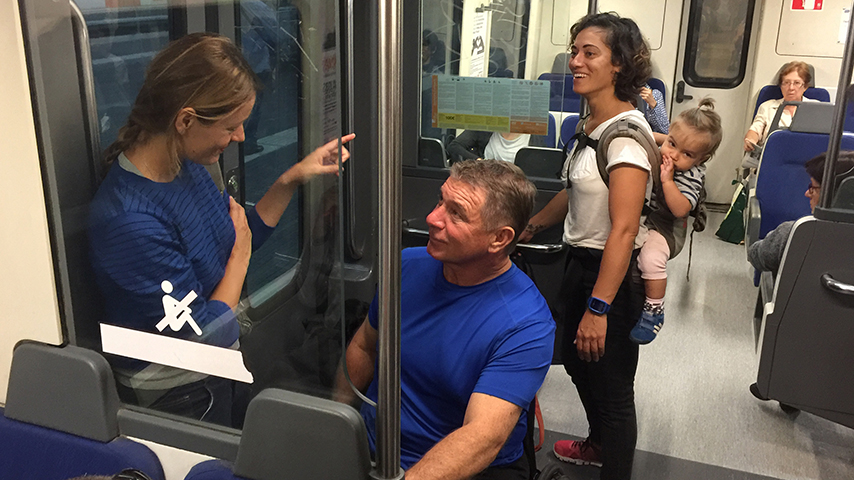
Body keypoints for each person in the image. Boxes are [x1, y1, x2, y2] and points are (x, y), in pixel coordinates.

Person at [88, 33, 353, 427]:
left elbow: (238, 239)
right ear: (186, 120)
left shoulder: (187, 167)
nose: (241, 137)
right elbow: (199, 337)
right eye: (232, 127)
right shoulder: (129, 223)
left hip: (217, 370)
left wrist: (292, 178)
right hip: (180, 394)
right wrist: (240, 259)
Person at [338, 159, 555, 480]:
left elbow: (482, 437)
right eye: (441, 200)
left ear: (499, 239)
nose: (431, 217)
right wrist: (337, 425)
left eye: (456, 213)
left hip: (466, 468)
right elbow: (365, 347)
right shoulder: (406, 267)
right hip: (376, 448)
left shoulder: (526, 323)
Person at [518, 13, 651, 479]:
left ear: (618, 65)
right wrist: (532, 224)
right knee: (575, 359)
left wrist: (599, 308)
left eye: (589, 53)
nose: (575, 60)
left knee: (614, 391)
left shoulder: (626, 138)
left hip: (609, 274)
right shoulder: (590, 122)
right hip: (579, 261)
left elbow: (624, 229)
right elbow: (575, 190)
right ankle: (598, 444)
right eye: (574, 50)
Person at [629, 99, 723, 345]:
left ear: (702, 159)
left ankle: (654, 309)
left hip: (667, 229)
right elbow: (657, 137)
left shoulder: (690, 174)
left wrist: (668, 181)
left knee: (649, 259)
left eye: (687, 154)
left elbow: (681, 208)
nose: (673, 154)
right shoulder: (670, 145)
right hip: (647, 217)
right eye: (672, 143)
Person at [748, 151, 854, 276]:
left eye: (812, 188)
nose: (807, 194)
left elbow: (756, 256)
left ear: (834, 194)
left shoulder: (793, 234)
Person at [744, 61, 814, 153]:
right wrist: (750, 140)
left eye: (797, 83)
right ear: (781, 86)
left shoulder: (816, 108)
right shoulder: (767, 107)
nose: (791, 88)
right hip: (773, 155)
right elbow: (755, 130)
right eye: (786, 83)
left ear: (805, 87)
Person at [446, 130, 532, 164]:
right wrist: (479, 162)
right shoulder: (485, 129)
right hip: (485, 184)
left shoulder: (537, 135)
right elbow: (454, 147)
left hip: (517, 189)